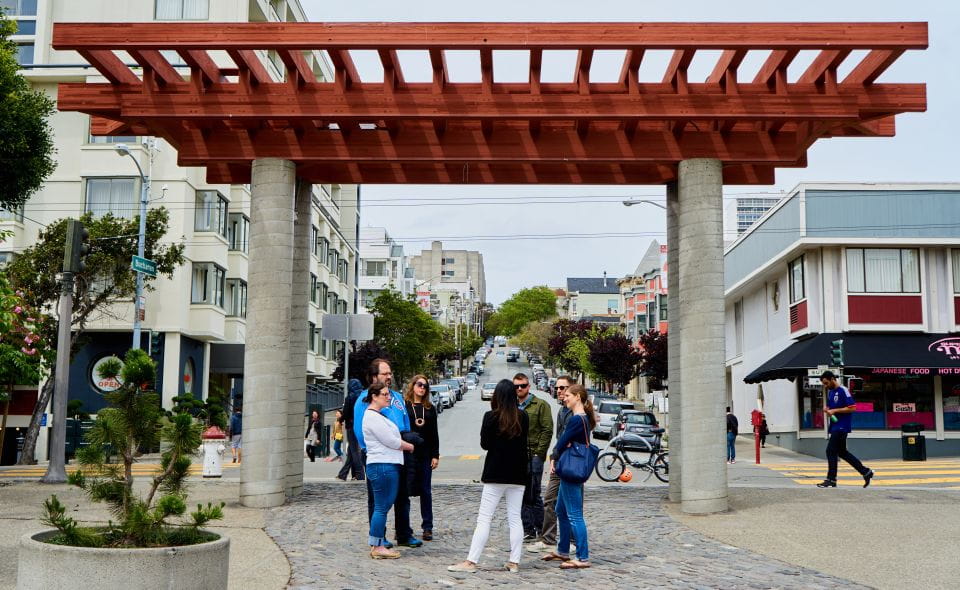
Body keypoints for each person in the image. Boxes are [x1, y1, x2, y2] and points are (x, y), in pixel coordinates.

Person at [449, 379, 529, 573]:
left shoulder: (491, 417)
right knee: (515, 518)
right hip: (518, 474)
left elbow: (485, 444)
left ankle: (471, 561)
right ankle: (514, 561)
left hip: (495, 473)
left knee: (484, 518)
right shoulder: (523, 416)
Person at [353, 359, 422, 548]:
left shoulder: (397, 397)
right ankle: (379, 537)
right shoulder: (365, 399)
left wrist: (407, 440)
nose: (389, 377)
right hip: (380, 453)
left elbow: (406, 422)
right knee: (378, 500)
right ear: (374, 376)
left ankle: (404, 533)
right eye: (385, 374)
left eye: (390, 373)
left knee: (402, 495)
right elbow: (360, 431)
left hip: (400, 451)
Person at [362, 381, 416, 559]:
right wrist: (409, 446)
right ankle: (377, 546)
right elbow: (391, 441)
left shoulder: (378, 415)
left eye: (389, 394)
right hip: (383, 465)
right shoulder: (372, 417)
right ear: (374, 396)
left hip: (385, 464)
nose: (388, 397)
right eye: (385, 394)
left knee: (382, 506)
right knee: (381, 507)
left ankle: (377, 543)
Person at [544, 383, 595, 569]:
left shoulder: (576, 419)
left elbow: (562, 442)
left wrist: (553, 457)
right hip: (569, 469)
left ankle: (582, 557)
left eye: (568, 395)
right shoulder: (581, 418)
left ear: (578, 397)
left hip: (570, 470)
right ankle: (563, 550)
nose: (564, 398)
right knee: (561, 510)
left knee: (574, 515)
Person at [527, 375, 573, 554]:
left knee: (570, 504)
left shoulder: (576, 411)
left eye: (564, 388)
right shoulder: (562, 410)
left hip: (570, 463)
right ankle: (548, 539)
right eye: (558, 388)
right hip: (559, 461)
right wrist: (554, 457)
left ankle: (572, 540)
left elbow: (568, 439)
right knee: (550, 501)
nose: (559, 391)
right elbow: (559, 438)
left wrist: (554, 454)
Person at [817, 371, 874, 488]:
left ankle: (831, 479)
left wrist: (835, 411)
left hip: (842, 426)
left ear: (833, 379)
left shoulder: (843, 390)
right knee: (842, 452)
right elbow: (831, 408)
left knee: (830, 451)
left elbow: (852, 408)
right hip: (835, 426)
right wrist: (827, 409)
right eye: (824, 384)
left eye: (827, 383)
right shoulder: (831, 392)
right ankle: (866, 472)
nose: (826, 386)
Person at [514, 372, 553, 541]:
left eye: (523, 385)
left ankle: (542, 530)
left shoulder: (541, 405)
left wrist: (539, 453)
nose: (520, 389)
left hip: (534, 456)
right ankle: (528, 530)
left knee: (533, 495)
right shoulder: (511, 406)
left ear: (529, 386)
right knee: (519, 494)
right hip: (516, 457)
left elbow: (547, 430)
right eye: (516, 386)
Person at [404, 375, 440, 541]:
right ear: (413, 386)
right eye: (420, 385)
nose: (422, 388)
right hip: (408, 454)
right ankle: (403, 527)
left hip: (425, 455)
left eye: (425, 386)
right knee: (405, 491)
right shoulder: (405, 406)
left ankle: (428, 527)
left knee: (426, 491)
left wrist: (435, 455)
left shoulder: (430, 408)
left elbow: (434, 434)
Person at [338, 378, 366, 481]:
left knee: (354, 451)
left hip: (351, 425)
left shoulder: (349, 397)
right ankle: (343, 474)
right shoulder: (363, 397)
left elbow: (345, 412)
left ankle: (360, 474)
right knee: (352, 450)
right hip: (361, 425)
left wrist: (340, 419)